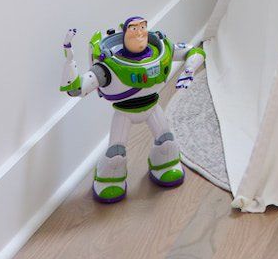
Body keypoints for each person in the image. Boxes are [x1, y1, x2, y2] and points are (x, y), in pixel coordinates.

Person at [61, 15, 205, 203]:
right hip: (124, 112)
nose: (140, 32)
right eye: (134, 28)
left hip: (152, 106)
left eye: (143, 27)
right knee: (116, 154)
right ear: (125, 33)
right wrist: (69, 60)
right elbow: (76, 89)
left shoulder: (161, 51)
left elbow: (194, 52)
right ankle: (109, 179)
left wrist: (189, 70)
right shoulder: (108, 65)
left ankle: (165, 165)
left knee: (167, 143)